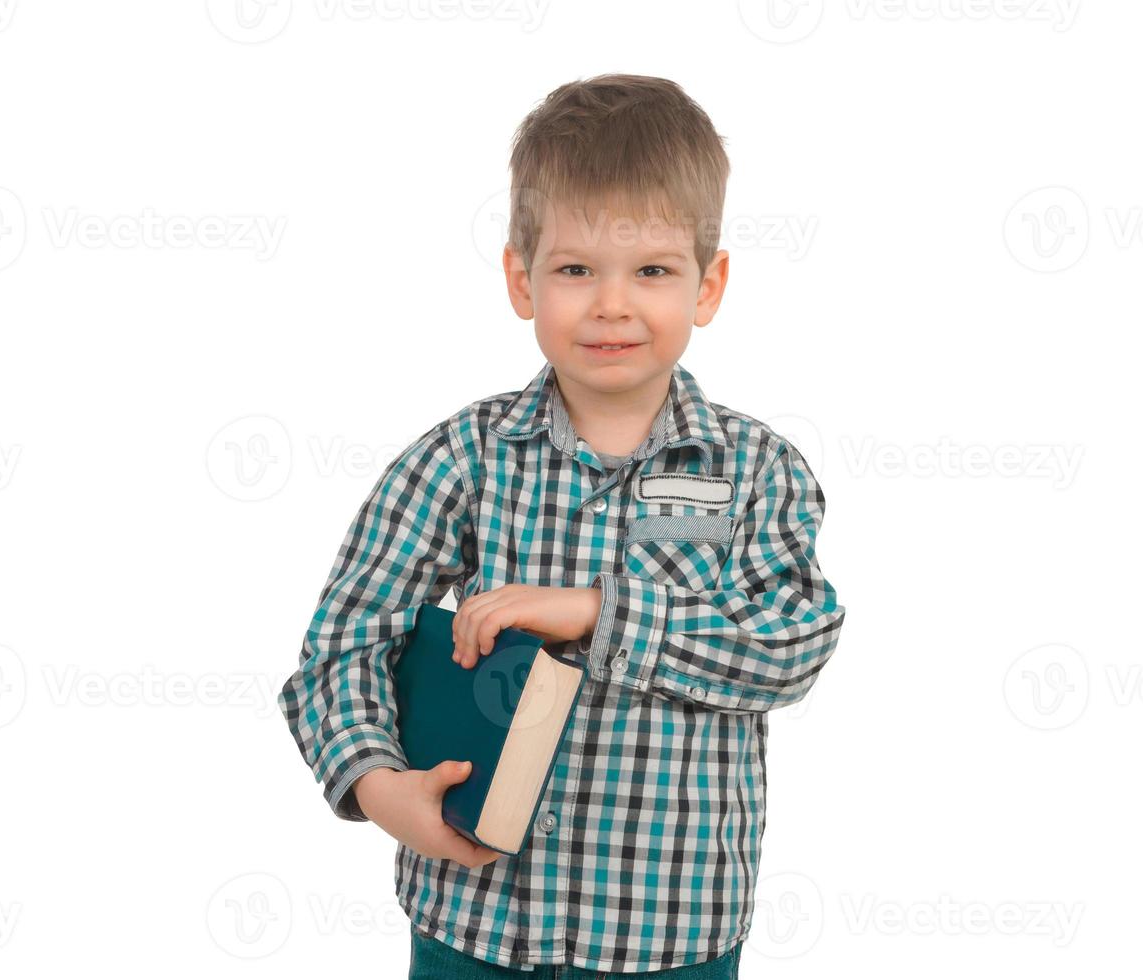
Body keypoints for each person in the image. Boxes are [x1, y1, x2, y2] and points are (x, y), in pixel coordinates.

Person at [279, 72, 846, 978]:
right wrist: (382, 789)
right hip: (473, 921)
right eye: (576, 269)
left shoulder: (758, 470)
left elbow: (794, 645)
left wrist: (597, 612)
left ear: (710, 284)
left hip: (672, 931)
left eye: (653, 270)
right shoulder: (462, 456)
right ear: (521, 278)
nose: (612, 304)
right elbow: (342, 645)